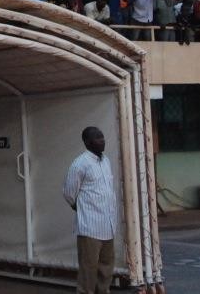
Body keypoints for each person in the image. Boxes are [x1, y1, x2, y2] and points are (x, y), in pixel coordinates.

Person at [63, 126, 117, 294]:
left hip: (108, 224)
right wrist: (80, 208)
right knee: (88, 268)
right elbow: (69, 193)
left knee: (106, 267)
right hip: (90, 226)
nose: (102, 141)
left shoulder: (105, 161)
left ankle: (103, 291)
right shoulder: (80, 164)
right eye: (97, 138)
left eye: (102, 137)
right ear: (87, 142)